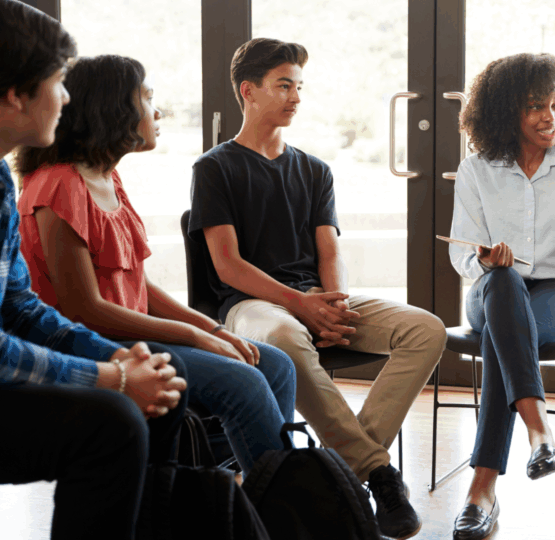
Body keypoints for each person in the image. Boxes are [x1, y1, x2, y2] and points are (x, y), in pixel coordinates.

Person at [188, 37, 445, 540]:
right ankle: (378, 474)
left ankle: (342, 471)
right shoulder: (214, 168)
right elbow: (229, 266)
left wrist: (335, 304)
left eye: (299, 86)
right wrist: (302, 306)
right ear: (249, 91)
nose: (296, 97)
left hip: (313, 296)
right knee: (284, 340)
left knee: (425, 330)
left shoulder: (314, 170)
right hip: (252, 304)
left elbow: (330, 253)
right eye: (284, 85)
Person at [14, 54, 296, 477]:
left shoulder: (108, 178)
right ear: (111, 109)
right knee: (244, 382)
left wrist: (212, 329)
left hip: (132, 332)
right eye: (146, 97)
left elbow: (138, 286)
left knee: (275, 363)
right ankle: (285, 507)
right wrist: (196, 337)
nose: (157, 110)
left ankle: (237, 490)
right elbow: (84, 310)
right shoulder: (59, 185)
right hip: (96, 342)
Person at [0, 2, 186, 538]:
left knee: (165, 381)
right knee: (116, 422)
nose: (66, 98)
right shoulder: (54, 184)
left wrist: (115, 358)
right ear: (16, 93)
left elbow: (19, 306)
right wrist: (112, 377)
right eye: (59, 82)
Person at [447, 52, 555, 540]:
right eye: (534, 107)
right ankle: (539, 428)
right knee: (504, 289)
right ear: (507, 112)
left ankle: (481, 490)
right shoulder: (477, 171)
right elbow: (462, 257)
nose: (550, 116)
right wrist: (485, 261)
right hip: (493, 289)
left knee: (503, 338)